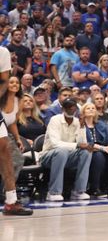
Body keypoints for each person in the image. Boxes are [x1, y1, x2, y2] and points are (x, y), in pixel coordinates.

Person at [0, 46, 32, 215]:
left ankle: (11, 201)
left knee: (6, 152)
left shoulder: (3, 52)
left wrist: (18, 138)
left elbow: (4, 81)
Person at [40, 98, 92, 201]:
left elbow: (83, 143)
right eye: (69, 108)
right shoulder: (55, 120)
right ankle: (53, 192)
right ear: (63, 109)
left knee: (86, 152)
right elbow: (56, 144)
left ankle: (79, 190)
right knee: (61, 151)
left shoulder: (78, 122)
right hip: (48, 155)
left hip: (68, 156)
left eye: (74, 108)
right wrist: (77, 145)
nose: (72, 110)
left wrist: (82, 127)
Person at [81, 101, 108, 198]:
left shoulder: (100, 124)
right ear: (83, 112)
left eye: (93, 108)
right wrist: (101, 148)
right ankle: (95, 187)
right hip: (88, 150)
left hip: (103, 148)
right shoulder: (80, 125)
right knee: (99, 156)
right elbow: (84, 142)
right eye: (88, 108)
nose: (91, 109)